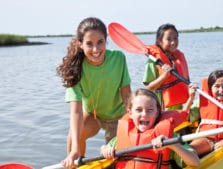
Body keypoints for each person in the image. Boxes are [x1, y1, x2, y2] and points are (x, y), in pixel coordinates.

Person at [56, 17, 131, 168]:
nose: (96, 49)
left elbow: (127, 97)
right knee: (73, 137)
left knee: (114, 159)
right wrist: (75, 148)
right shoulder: (75, 68)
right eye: (89, 44)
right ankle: (76, 164)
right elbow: (76, 112)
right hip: (93, 115)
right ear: (80, 44)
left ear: (106, 40)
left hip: (118, 116)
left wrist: (129, 124)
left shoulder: (118, 58)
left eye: (100, 42)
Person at [100, 88, 199, 169]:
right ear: (130, 113)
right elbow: (105, 148)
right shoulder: (121, 138)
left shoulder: (168, 137)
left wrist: (172, 145)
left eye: (150, 110)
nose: (144, 114)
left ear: (157, 113)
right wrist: (104, 149)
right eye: (139, 110)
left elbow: (195, 162)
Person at [143, 23, 190, 110]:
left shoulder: (178, 58)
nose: (173, 42)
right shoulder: (153, 61)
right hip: (161, 108)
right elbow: (148, 89)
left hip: (178, 107)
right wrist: (164, 76)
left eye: (175, 38)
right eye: (168, 39)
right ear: (159, 41)